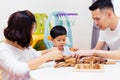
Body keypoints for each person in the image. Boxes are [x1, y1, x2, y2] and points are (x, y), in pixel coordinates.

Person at [0, 10, 63, 80]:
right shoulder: (3, 50)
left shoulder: (21, 43)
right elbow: (18, 69)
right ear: (22, 31)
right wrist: (47, 56)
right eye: (32, 29)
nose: (33, 32)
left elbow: (33, 55)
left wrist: (49, 51)